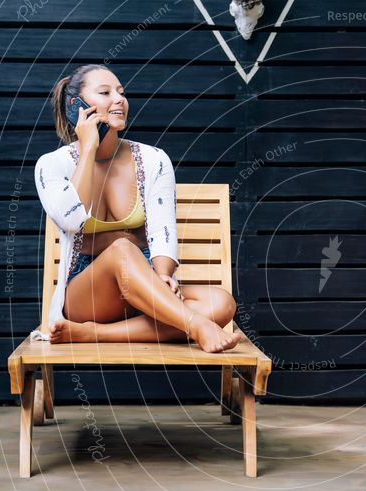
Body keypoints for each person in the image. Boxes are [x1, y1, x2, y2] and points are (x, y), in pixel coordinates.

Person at [34, 64, 240, 352]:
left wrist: (163, 274)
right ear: (76, 107)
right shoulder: (52, 165)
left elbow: (161, 228)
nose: (119, 99)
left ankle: (94, 334)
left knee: (222, 303)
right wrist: (89, 147)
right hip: (88, 293)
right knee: (121, 247)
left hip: (144, 281)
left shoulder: (154, 159)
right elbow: (70, 220)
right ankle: (195, 324)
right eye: (105, 92)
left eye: (121, 92)